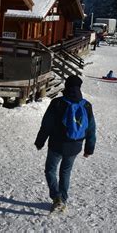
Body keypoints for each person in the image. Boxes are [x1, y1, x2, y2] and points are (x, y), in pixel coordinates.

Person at [35, 75, 96, 213]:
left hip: (56, 144)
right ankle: (63, 199)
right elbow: (91, 129)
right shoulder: (86, 105)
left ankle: (57, 198)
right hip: (75, 146)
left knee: (50, 170)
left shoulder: (57, 103)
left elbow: (46, 125)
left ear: (66, 86)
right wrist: (89, 149)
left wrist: (40, 141)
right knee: (65, 172)